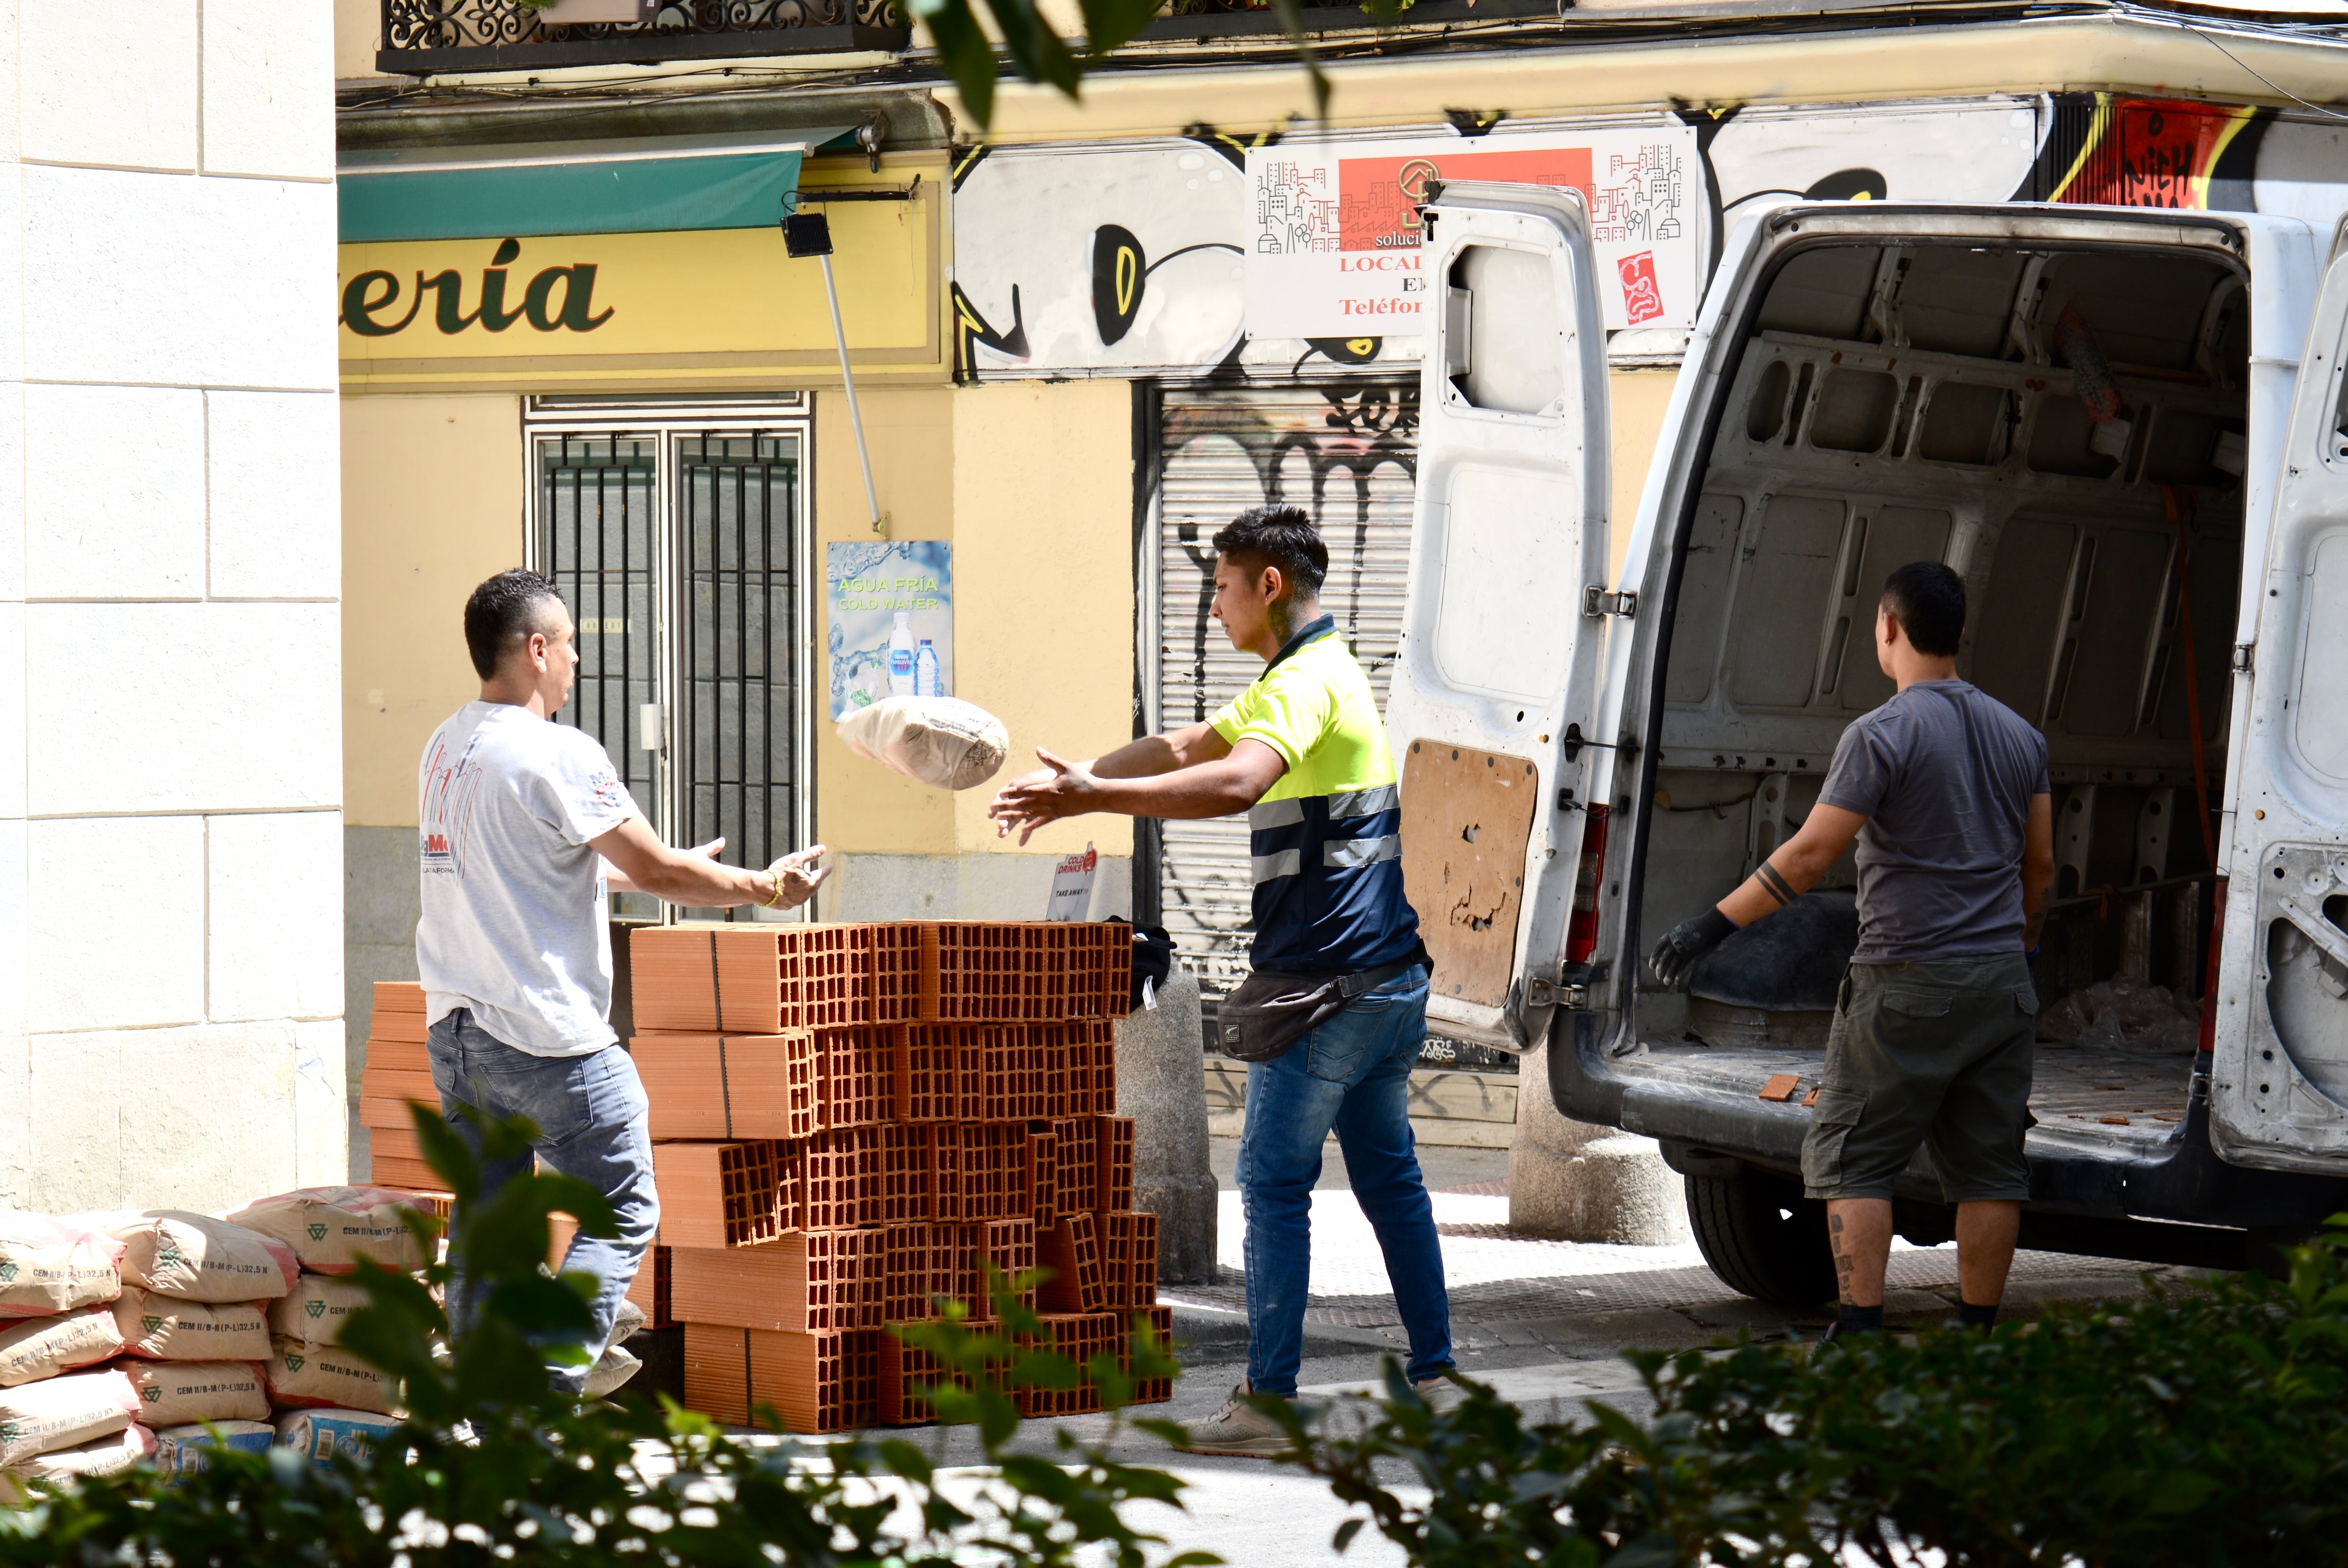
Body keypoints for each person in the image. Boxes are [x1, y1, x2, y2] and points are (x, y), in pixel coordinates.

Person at [989, 504, 1453, 1453]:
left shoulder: (1301, 687)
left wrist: (1092, 794)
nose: (1212, 608)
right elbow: (1183, 747)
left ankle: (1268, 1404)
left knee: (1272, 1181)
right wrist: (1083, 773)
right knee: (1390, 1178)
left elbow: (1237, 780)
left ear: (1268, 586)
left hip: (1327, 988)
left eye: (1221, 586)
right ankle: (1438, 1375)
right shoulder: (1314, 672)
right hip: (1388, 978)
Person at [417, 569, 829, 1393]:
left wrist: (656, 870)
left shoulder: (447, 744)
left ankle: (479, 1399)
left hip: (457, 1033)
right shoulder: (559, 753)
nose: (576, 661)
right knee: (624, 1204)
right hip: (547, 1036)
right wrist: (765, 888)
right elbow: (657, 869)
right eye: (569, 643)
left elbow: (529, 868)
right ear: (536, 651)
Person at [1649, 560, 2055, 1340]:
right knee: (1990, 1170)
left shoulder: (1881, 734)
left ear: (1888, 628)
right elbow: (2037, 866)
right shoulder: (2021, 737)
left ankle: (1859, 1332)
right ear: (1959, 635)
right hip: (2002, 981)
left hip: (1906, 979)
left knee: (1856, 1158)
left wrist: (1710, 927)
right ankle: (1975, 1336)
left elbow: (1809, 858)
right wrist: (2023, 945)